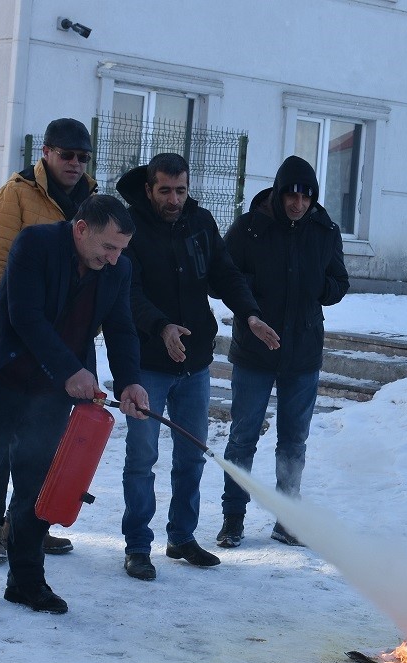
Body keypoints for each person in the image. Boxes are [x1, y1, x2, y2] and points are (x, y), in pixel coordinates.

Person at [0, 195, 149, 612]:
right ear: (81, 230)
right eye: (108, 248)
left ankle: (26, 582)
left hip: (50, 397)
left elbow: (121, 328)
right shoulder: (35, 244)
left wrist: (131, 381)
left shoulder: (119, 269)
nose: (115, 259)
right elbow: (25, 316)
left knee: (38, 487)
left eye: (121, 250)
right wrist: (70, 370)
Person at [116, 152, 279, 581]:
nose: (174, 200)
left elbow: (226, 275)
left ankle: (182, 536)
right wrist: (161, 326)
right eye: (165, 191)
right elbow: (127, 294)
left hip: (195, 363)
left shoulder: (200, 222)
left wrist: (250, 313)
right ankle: (137, 545)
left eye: (181, 190)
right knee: (142, 458)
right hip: (149, 363)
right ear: (149, 188)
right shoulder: (129, 228)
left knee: (192, 455)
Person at [0, 117, 98, 563]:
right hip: (15, 339)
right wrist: (2, 330)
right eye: (67, 155)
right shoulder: (18, 193)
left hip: (63, 348)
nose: (75, 164)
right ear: (46, 153)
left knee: (45, 438)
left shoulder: (91, 200)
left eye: (83, 157)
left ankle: (27, 523)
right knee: (1, 437)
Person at [217, 155, 349, 548]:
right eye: (291, 195)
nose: (297, 204)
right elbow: (223, 278)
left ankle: (287, 519)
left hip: (303, 353)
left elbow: (339, 282)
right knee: (242, 438)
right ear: (278, 192)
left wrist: (320, 288)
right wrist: (252, 298)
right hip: (255, 351)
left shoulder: (325, 231)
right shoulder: (249, 227)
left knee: (293, 441)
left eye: (306, 198)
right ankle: (233, 518)